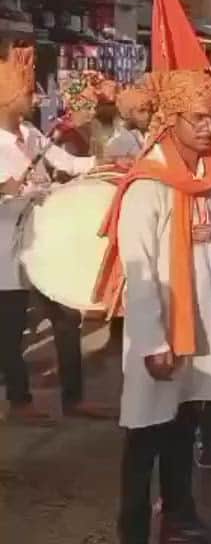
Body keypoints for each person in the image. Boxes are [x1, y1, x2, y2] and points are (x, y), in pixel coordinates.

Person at [94, 69, 211, 544]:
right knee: (145, 432)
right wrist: (153, 340)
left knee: (185, 421)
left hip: (204, 322)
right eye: (198, 118)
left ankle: (179, 514)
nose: (210, 126)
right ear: (171, 120)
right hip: (162, 327)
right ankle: (131, 528)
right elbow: (140, 268)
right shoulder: (147, 183)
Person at [0, 45, 106, 425]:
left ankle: (73, 398)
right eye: (28, 93)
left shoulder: (31, 134)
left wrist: (103, 163)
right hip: (7, 253)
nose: (35, 99)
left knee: (66, 317)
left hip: (45, 243)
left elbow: (69, 164)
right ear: (8, 98)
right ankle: (19, 400)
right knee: (10, 332)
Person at [104, 84, 157, 163]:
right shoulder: (117, 142)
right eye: (141, 111)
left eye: (150, 111)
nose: (148, 115)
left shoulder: (146, 135)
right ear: (127, 113)